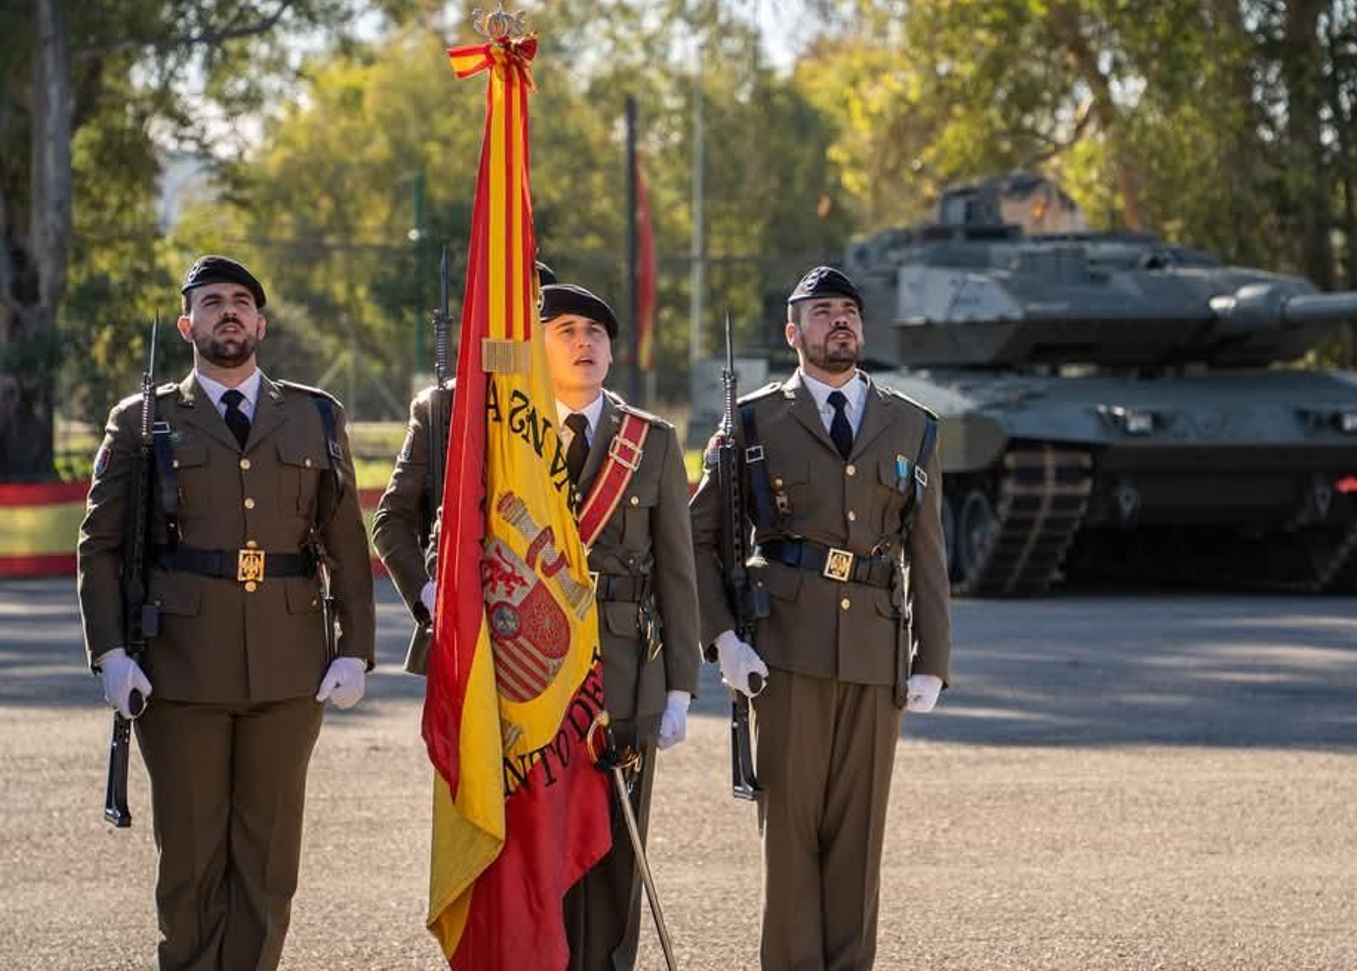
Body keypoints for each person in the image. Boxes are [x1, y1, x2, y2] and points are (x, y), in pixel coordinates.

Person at [375, 276, 699, 971]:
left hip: (621, 673)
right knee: (526, 853)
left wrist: (679, 687)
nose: (583, 344)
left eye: (595, 333)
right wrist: (440, 601)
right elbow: (409, 524)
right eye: (565, 332)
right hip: (517, 675)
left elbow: (677, 569)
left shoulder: (650, 440)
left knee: (612, 855)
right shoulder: (476, 422)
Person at [77, 254, 375, 971]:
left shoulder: (314, 414)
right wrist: (111, 652)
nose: (229, 311)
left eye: (242, 301)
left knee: (268, 867)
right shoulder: (142, 419)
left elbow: (346, 542)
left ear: (261, 324)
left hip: (289, 670)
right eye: (212, 302)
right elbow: (102, 545)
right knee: (190, 861)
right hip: (180, 670)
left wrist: (354, 647)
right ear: (188, 325)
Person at [689, 265, 951, 970]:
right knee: (790, 838)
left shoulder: (911, 424)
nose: (840, 321)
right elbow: (699, 537)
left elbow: (927, 553)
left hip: (874, 652)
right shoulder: (752, 421)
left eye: (849, 311)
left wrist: (932, 660)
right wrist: (723, 638)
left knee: (859, 842)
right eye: (823, 311)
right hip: (784, 649)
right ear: (792, 332)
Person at [373, 260, 556, 673]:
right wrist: (428, 594)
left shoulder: (570, 408)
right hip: (463, 637)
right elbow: (391, 520)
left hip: (552, 633)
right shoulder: (441, 407)